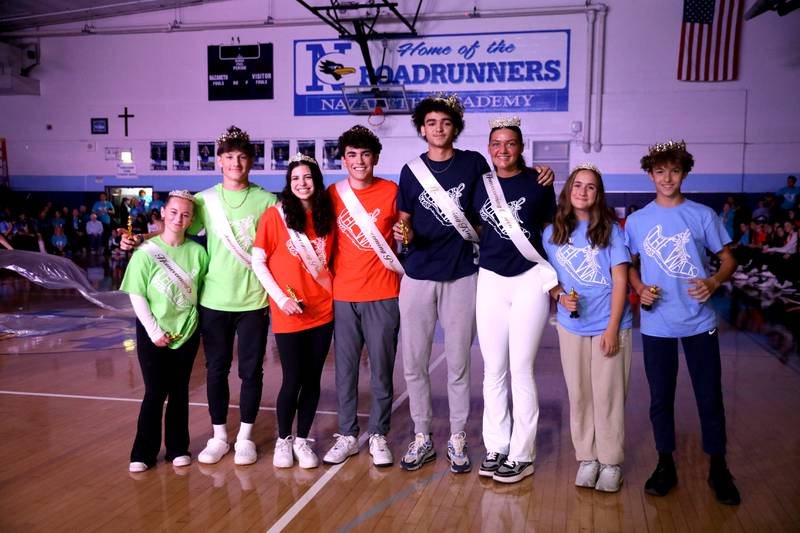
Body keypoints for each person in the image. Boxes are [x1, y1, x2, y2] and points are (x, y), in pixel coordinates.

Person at [395, 95, 554, 474]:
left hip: (465, 273)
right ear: (422, 128)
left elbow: (510, 182)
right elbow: (403, 220)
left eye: (445, 123)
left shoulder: (474, 164)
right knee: (415, 363)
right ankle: (422, 436)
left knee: (461, 364)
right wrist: (403, 231)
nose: (438, 128)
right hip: (418, 273)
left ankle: (458, 436)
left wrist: (541, 173)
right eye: (431, 122)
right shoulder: (410, 170)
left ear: (455, 128)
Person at [122, 125, 278, 466]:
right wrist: (140, 240)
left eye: (242, 157)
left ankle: (246, 438)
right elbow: (173, 230)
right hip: (213, 302)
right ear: (219, 162)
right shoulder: (204, 201)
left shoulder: (268, 201)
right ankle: (220, 436)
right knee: (216, 370)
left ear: (250, 161)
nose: (236, 163)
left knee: (251, 373)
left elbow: (281, 245)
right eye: (229, 157)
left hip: (254, 301)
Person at [625, 140, 740, 505]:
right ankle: (665, 464)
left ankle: (718, 467)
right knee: (661, 398)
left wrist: (713, 281)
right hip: (658, 323)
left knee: (710, 396)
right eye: (660, 171)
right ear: (650, 174)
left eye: (674, 170)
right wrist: (640, 287)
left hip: (699, 321)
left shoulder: (702, 214)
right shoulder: (639, 220)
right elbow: (626, 265)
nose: (667, 178)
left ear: (685, 173)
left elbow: (728, 260)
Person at [472, 116, 557, 484]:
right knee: (493, 370)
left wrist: (558, 282)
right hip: (490, 280)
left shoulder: (539, 184)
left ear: (521, 148)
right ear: (489, 148)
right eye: (496, 144)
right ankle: (496, 447)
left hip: (529, 280)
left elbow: (554, 234)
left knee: (521, 368)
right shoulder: (480, 185)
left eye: (510, 143)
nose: (502, 150)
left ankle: (523, 453)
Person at [542, 163, 633, 493]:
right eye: (577, 185)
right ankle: (588, 458)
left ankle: (610, 462)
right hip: (571, 328)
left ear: (598, 194)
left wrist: (612, 329)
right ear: (568, 192)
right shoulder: (551, 233)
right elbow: (547, 280)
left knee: (607, 395)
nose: (582, 191)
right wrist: (560, 296)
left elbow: (621, 281)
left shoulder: (611, 230)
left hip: (610, 326)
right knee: (579, 395)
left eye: (590, 187)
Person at [322, 125, 401, 468]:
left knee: (381, 370)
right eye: (352, 155)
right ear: (343, 159)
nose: (359, 161)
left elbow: (408, 233)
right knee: (346, 371)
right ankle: (348, 434)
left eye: (365, 154)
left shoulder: (391, 191)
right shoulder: (332, 193)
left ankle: (379, 433)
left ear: (376, 158)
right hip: (343, 295)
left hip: (384, 292)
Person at [252, 153, 335, 469]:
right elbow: (258, 261)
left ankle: (303, 440)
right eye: (295, 178)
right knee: (292, 378)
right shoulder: (275, 217)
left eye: (308, 177)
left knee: (313, 380)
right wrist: (279, 298)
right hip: (289, 312)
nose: (302, 183)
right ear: (289, 184)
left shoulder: (327, 216)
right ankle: (283, 439)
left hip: (322, 310)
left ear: (316, 181)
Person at [120, 190, 208, 473]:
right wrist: (154, 330)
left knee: (180, 391)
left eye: (185, 214)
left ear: (191, 219)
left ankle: (178, 448)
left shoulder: (198, 252)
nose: (178, 218)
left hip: (187, 331)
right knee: (155, 392)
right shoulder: (146, 253)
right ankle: (143, 452)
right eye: (173, 212)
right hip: (152, 332)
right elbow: (137, 294)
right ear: (163, 214)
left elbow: (202, 290)